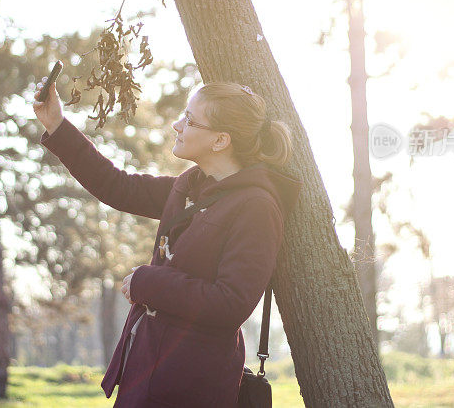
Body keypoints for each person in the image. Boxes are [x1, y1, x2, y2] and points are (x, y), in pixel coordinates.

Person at [33, 77, 302, 408]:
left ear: (221, 140)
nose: (177, 124)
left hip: (192, 385)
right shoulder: (189, 185)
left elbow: (230, 304)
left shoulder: (257, 207)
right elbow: (117, 186)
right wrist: (56, 124)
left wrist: (148, 282)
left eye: (189, 120)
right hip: (145, 374)